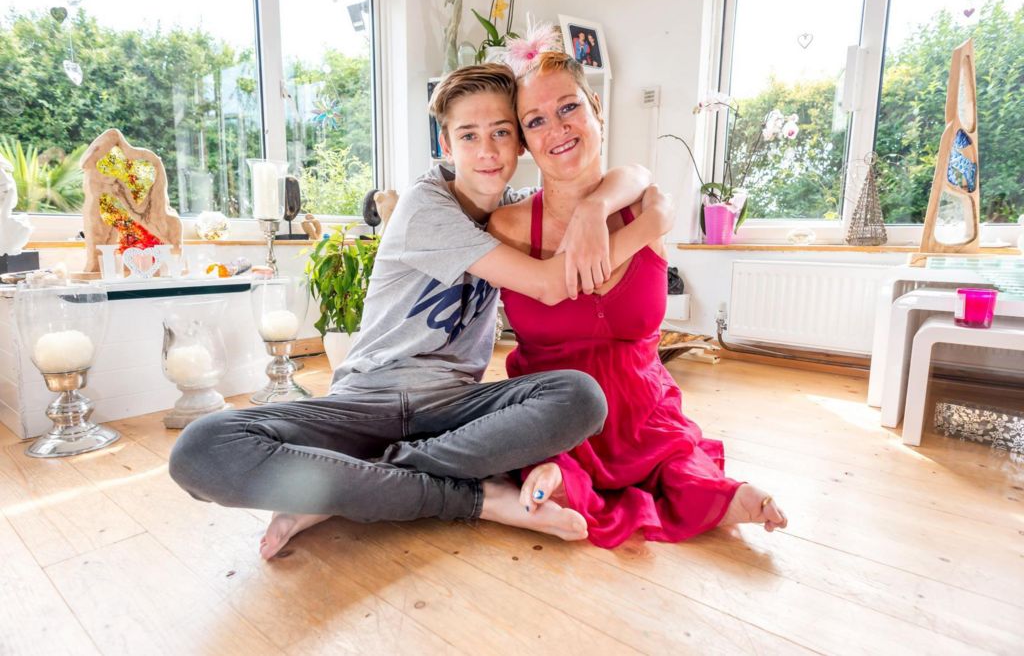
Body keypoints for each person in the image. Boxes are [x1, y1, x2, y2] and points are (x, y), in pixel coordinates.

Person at [168, 63, 675, 559]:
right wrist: (648, 225)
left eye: (501, 132)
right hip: (366, 401)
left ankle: (350, 485)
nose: (488, 151)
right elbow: (547, 286)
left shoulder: (514, 210)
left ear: (521, 142)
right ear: (446, 146)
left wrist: (601, 207)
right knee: (202, 447)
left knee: (580, 397)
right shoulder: (427, 207)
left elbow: (637, 175)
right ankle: (472, 499)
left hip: (453, 410)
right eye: (469, 136)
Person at [488, 51, 788, 549]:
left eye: (568, 108)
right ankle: (555, 478)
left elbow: (644, 182)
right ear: (523, 141)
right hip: (554, 410)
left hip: (644, 408)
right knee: (553, 467)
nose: (557, 129)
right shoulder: (511, 227)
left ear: (596, 108)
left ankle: (723, 496)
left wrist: (597, 207)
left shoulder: (647, 205)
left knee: (680, 464)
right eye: (535, 121)